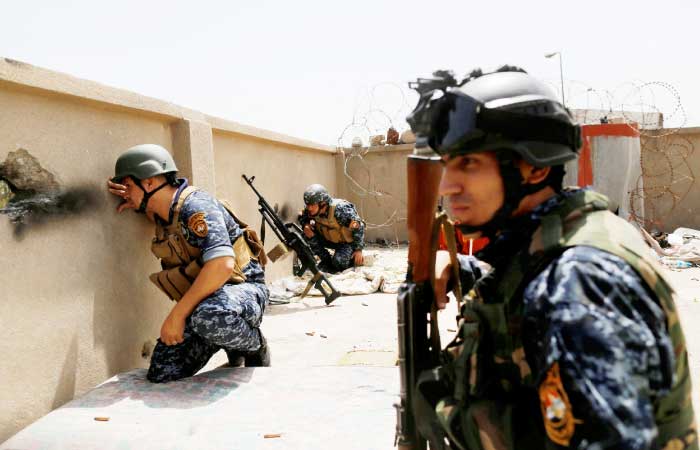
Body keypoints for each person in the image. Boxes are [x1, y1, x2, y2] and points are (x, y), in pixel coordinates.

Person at [407, 66, 696, 449]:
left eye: (469, 164)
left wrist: (450, 415)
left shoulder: (580, 280)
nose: (448, 186)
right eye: (447, 165)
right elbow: (525, 281)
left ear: (535, 168)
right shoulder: (561, 236)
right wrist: (465, 267)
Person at [106, 144, 270, 382]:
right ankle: (228, 342)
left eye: (129, 186)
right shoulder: (162, 212)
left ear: (150, 182)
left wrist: (177, 316)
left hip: (244, 290)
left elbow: (222, 265)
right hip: (205, 303)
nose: (126, 192)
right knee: (163, 370)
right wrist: (133, 198)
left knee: (210, 315)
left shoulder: (196, 207)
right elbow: (152, 207)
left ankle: (255, 346)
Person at [298, 184, 365, 273]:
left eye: (312, 205)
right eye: (307, 204)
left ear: (322, 203)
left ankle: (344, 259)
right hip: (327, 239)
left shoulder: (340, 210)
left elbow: (358, 226)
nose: (309, 208)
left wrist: (358, 249)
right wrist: (305, 225)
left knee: (338, 263)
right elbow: (301, 215)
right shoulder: (311, 209)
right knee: (305, 235)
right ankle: (325, 259)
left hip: (345, 243)